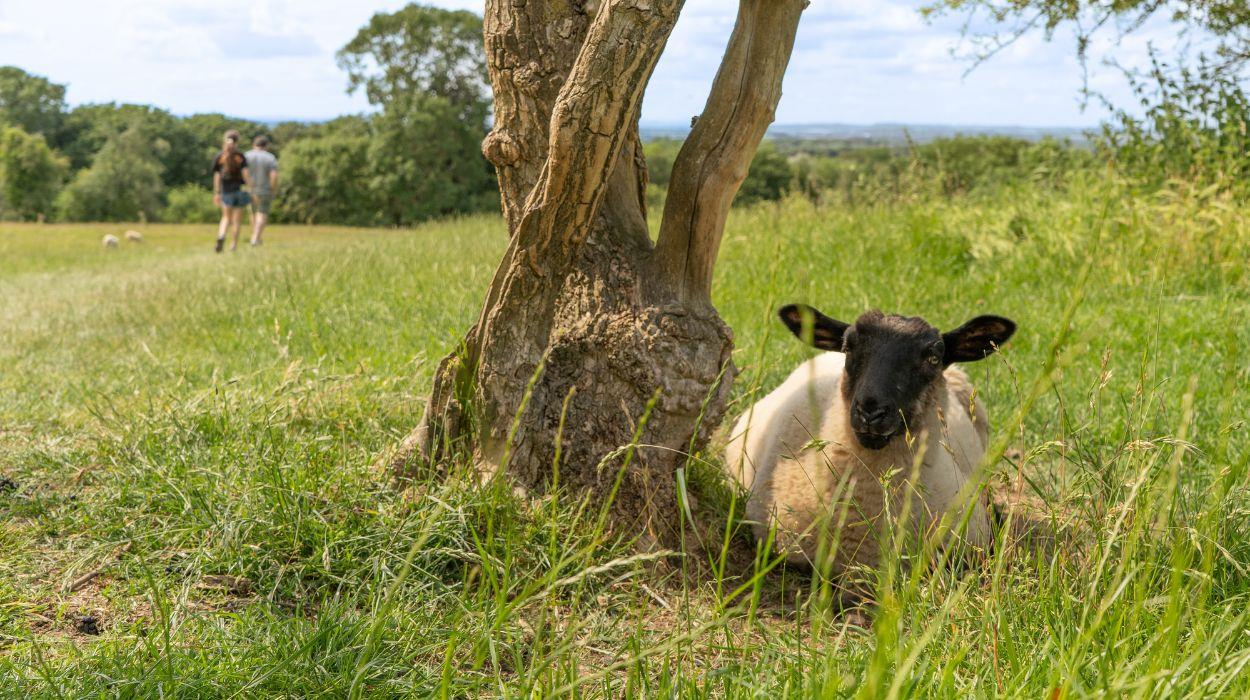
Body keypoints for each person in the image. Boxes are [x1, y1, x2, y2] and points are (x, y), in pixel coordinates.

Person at [212, 130, 251, 253]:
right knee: (237, 221)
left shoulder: (220, 157)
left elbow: (217, 176)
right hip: (239, 191)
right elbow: (246, 175)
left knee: (225, 218)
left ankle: (222, 235)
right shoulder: (240, 156)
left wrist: (217, 192)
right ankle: (233, 245)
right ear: (237, 142)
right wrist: (251, 189)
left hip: (226, 192)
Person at [245, 135, 279, 246]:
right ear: (266, 146)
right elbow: (274, 175)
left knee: (253, 213)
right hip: (264, 189)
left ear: (254, 144)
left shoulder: (246, 156)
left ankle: (255, 236)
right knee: (262, 213)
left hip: (249, 189)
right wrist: (272, 188)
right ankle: (255, 238)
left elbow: (242, 173)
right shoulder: (270, 157)